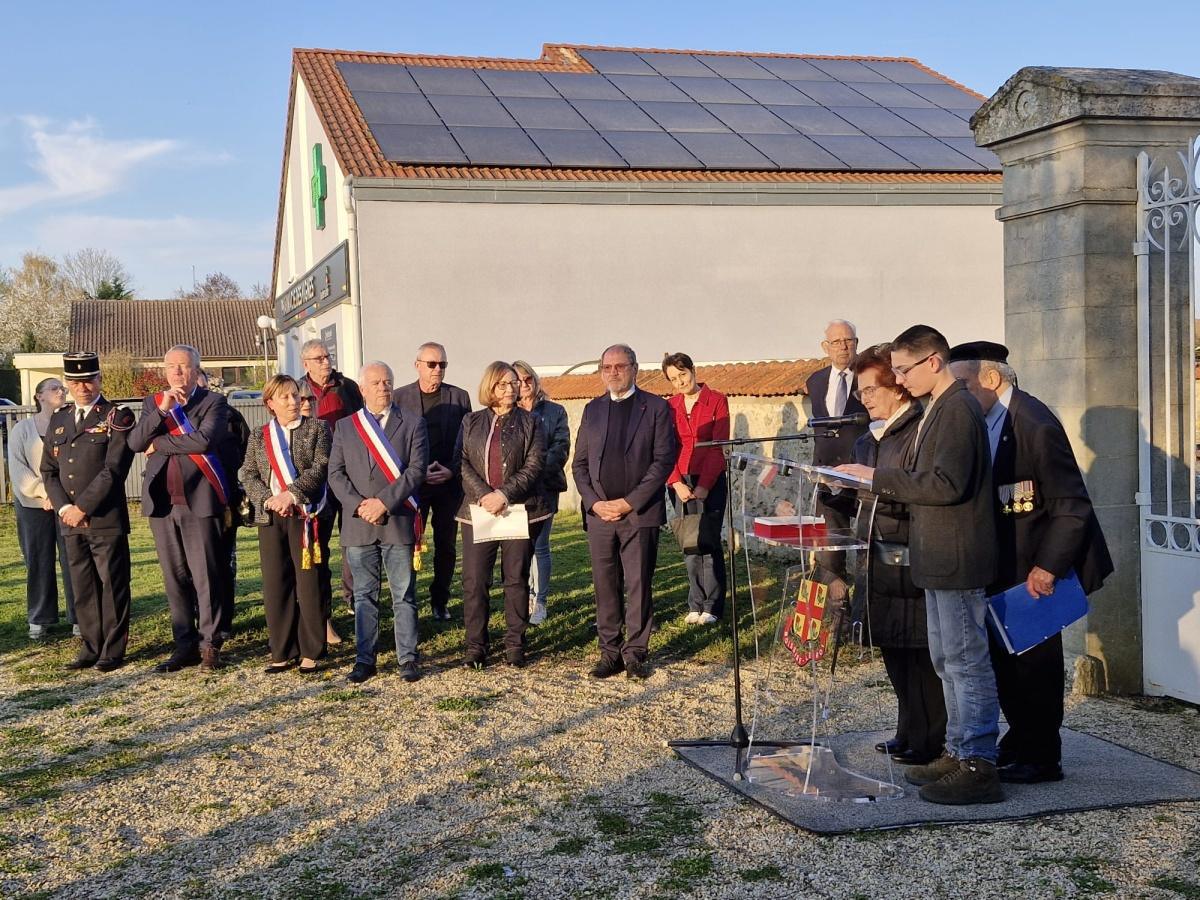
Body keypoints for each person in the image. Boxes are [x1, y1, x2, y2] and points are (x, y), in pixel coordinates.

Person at [838, 324, 1000, 805]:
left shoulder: (957, 408)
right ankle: (956, 751)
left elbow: (947, 484)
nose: (900, 380)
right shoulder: (940, 407)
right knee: (947, 661)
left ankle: (978, 763)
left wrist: (877, 477)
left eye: (905, 370)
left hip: (957, 556)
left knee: (967, 662)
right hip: (936, 555)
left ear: (933, 362)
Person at [949, 341, 1114, 784]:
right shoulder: (989, 420)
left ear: (990, 378)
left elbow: (1071, 504)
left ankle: (1043, 755)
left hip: (1037, 568)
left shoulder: (1034, 422)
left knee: (1035, 665)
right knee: (1008, 661)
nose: (957, 395)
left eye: (962, 384)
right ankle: (1019, 741)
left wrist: (1048, 566)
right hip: (1006, 564)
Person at [849, 345, 946, 766]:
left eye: (872, 389)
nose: (866, 398)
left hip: (907, 553)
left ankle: (930, 738)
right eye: (860, 392)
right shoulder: (866, 438)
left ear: (897, 389)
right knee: (893, 648)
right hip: (874, 552)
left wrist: (876, 485)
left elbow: (917, 488)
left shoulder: (915, 431)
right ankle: (906, 730)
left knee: (918, 651)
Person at [572, 344, 676, 680]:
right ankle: (609, 652)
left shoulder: (656, 408)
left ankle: (635, 653)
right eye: (607, 367)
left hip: (638, 513)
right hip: (600, 515)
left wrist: (629, 501)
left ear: (634, 368)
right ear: (601, 370)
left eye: (620, 366)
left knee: (638, 583)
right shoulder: (592, 410)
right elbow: (580, 465)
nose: (613, 372)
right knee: (605, 584)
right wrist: (595, 503)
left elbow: (663, 462)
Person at [129, 344, 232, 673]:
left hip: (199, 501)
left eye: (184, 366)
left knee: (206, 576)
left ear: (196, 371)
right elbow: (133, 443)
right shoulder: (153, 403)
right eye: (171, 366)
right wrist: (161, 411)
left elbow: (203, 441)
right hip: (163, 504)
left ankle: (210, 643)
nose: (176, 371)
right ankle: (184, 644)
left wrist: (158, 444)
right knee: (175, 578)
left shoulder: (214, 402)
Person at [328, 361, 428, 684]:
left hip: (397, 519)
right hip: (359, 524)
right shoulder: (345, 427)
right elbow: (335, 474)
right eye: (376, 382)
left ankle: (408, 658)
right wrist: (360, 506)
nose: (383, 387)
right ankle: (365, 659)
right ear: (362, 389)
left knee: (403, 593)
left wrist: (384, 502)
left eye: (388, 381)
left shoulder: (412, 423)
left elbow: (416, 471)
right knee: (364, 596)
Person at [40, 353, 136, 672]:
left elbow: (114, 469)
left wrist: (83, 506)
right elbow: (49, 469)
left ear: (99, 380)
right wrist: (66, 508)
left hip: (104, 516)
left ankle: (112, 648)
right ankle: (91, 645)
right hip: (70, 519)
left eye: (89, 380)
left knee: (112, 584)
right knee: (82, 585)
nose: (83, 387)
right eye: (76, 382)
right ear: (68, 384)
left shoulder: (116, 416)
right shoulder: (60, 418)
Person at [454, 362, 547, 668]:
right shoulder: (471, 421)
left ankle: (515, 645)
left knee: (515, 578)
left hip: (517, 510)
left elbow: (534, 465)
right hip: (478, 512)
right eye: (503, 384)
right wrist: (484, 495)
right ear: (490, 388)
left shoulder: (531, 423)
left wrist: (504, 494)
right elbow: (463, 462)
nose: (511, 389)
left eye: (514, 384)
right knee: (475, 580)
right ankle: (476, 647)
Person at [241, 375, 332, 674]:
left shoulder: (318, 429)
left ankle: (311, 650)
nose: (294, 402)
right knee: (276, 583)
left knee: (308, 582)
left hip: (304, 515)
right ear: (270, 403)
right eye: (286, 397)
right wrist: (268, 499)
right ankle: (281, 649)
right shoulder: (258, 435)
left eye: (297, 396)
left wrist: (291, 495)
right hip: (270, 516)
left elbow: (320, 468)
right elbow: (249, 474)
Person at [394, 341, 472, 621]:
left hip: (448, 485)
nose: (437, 370)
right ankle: (408, 601)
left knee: (446, 546)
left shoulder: (459, 397)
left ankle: (440, 600)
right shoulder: (400, 397)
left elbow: (466, 443)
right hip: (413, 485)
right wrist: (416, 471)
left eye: (442, 364)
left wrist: (452, 470)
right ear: (418, 366)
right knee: (408, 544)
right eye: (431, 364)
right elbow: (395, 442)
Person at [663, 352, 730, 625]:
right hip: (679, 480)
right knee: (689, 542)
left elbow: (717, 446)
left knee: (708, 540)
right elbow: (664, 448)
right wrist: (676, 482)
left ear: (693, 370)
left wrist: (704, 486)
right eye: (673, 379)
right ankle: (695, 602)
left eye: (683, 374)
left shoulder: (717, 401)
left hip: (709, 478)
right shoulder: (668, 407)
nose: (680, 382)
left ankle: (712, 606)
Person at [9, 377, 77, 639]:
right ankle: (40, 618)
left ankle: (78, 617)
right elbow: (18, 470)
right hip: (32, 505)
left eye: (62, 387)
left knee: (73, 559)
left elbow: (75, 464)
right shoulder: (22, 430)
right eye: (54, 388)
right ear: (39, 397)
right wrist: (45, 492)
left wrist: (60, 497)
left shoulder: (71, 424)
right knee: (38, 561)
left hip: (67, 505)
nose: (61, 391)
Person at [805, 320, 869, 592]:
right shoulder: (816, 382)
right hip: (828, 477)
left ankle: (864, 616)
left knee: (867, 549)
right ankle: (837, 616)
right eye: (836, 342)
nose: (843, 346)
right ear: (825, 346)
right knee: (830, 552)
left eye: (849, 340)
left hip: (864, 473)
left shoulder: (869, 378)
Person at [300, 338, 363, 619]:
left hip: (349, 472)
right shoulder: (297, 390)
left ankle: (353, 597)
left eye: (327, 356)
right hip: (317, 476)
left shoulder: (347, 387)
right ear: (306, 364)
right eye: (319, 358)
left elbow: (363, 423)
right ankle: (320, 604)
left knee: (352, 538)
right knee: (319, 540)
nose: (326, 362)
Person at [513, 360, 569, 626]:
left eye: (528, 378)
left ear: (535, 380)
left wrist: (530, 473)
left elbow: (560, 449)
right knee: (519, 548)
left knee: (541, 546)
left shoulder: (555, 412)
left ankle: (540, 600)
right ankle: (523, 596)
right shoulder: (507, 413)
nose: (524, 384)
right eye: (518, 380)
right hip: (514, 492)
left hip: (545, 487)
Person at [198, 370, 249, 641]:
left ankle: (224, 620)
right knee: (193, 565)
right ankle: (199, 619)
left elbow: (244, 449)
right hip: (189, 503)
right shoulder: (173, 415)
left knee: (224, 561)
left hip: (223, 498)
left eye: (200, 380)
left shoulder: (230, 416)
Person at [299, 380, 343, 645]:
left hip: (318, 508)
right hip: (286, 511)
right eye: (298, 398)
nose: (304, 403)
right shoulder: (273, 432)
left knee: (320, 566)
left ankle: (324, 620)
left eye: (309, 399)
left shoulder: (323, 429)